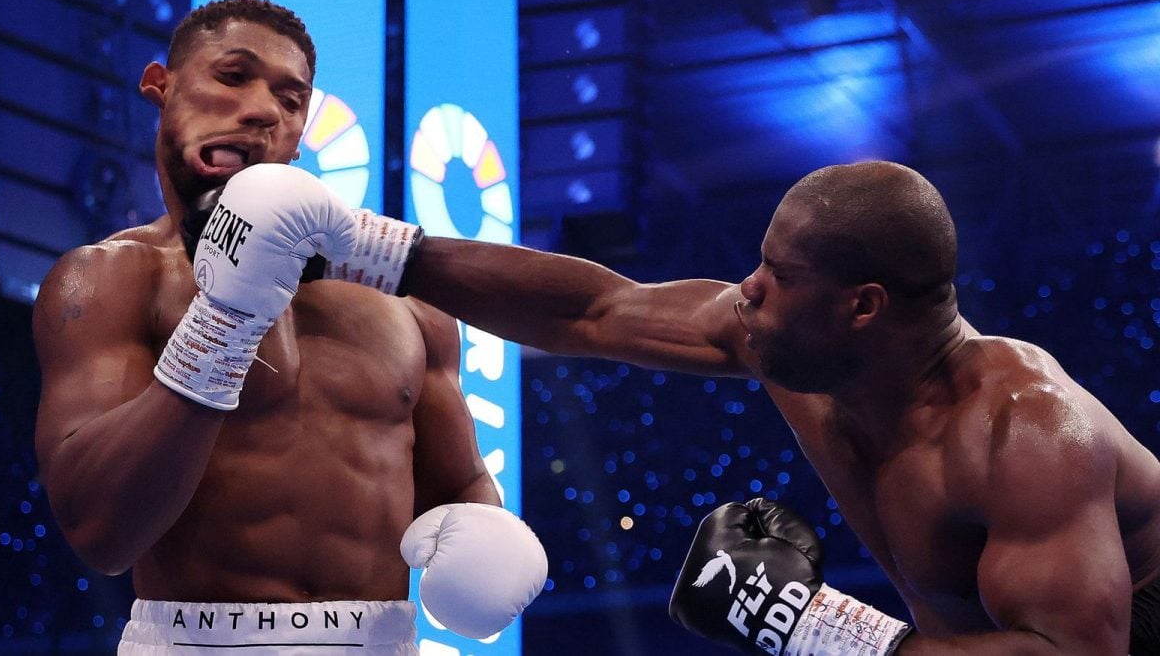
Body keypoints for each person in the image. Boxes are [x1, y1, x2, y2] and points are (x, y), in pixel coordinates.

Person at [373, 160, 1160, 653]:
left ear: (862, 306)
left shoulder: (1025, 432)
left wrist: (814, 625)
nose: (747, 288)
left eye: (780, 274)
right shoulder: (780, 341)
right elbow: (593, 311)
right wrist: (381, 252)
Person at [32, 0, 545, 654]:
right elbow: (100, 532)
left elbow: (459, 481)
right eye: (233, 75)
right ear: (161, 86)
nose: (262, 109)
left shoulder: (402, 298)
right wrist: (221, 325)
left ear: (301, 132)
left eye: (291, 98)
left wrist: (486, 536)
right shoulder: (111, 281)